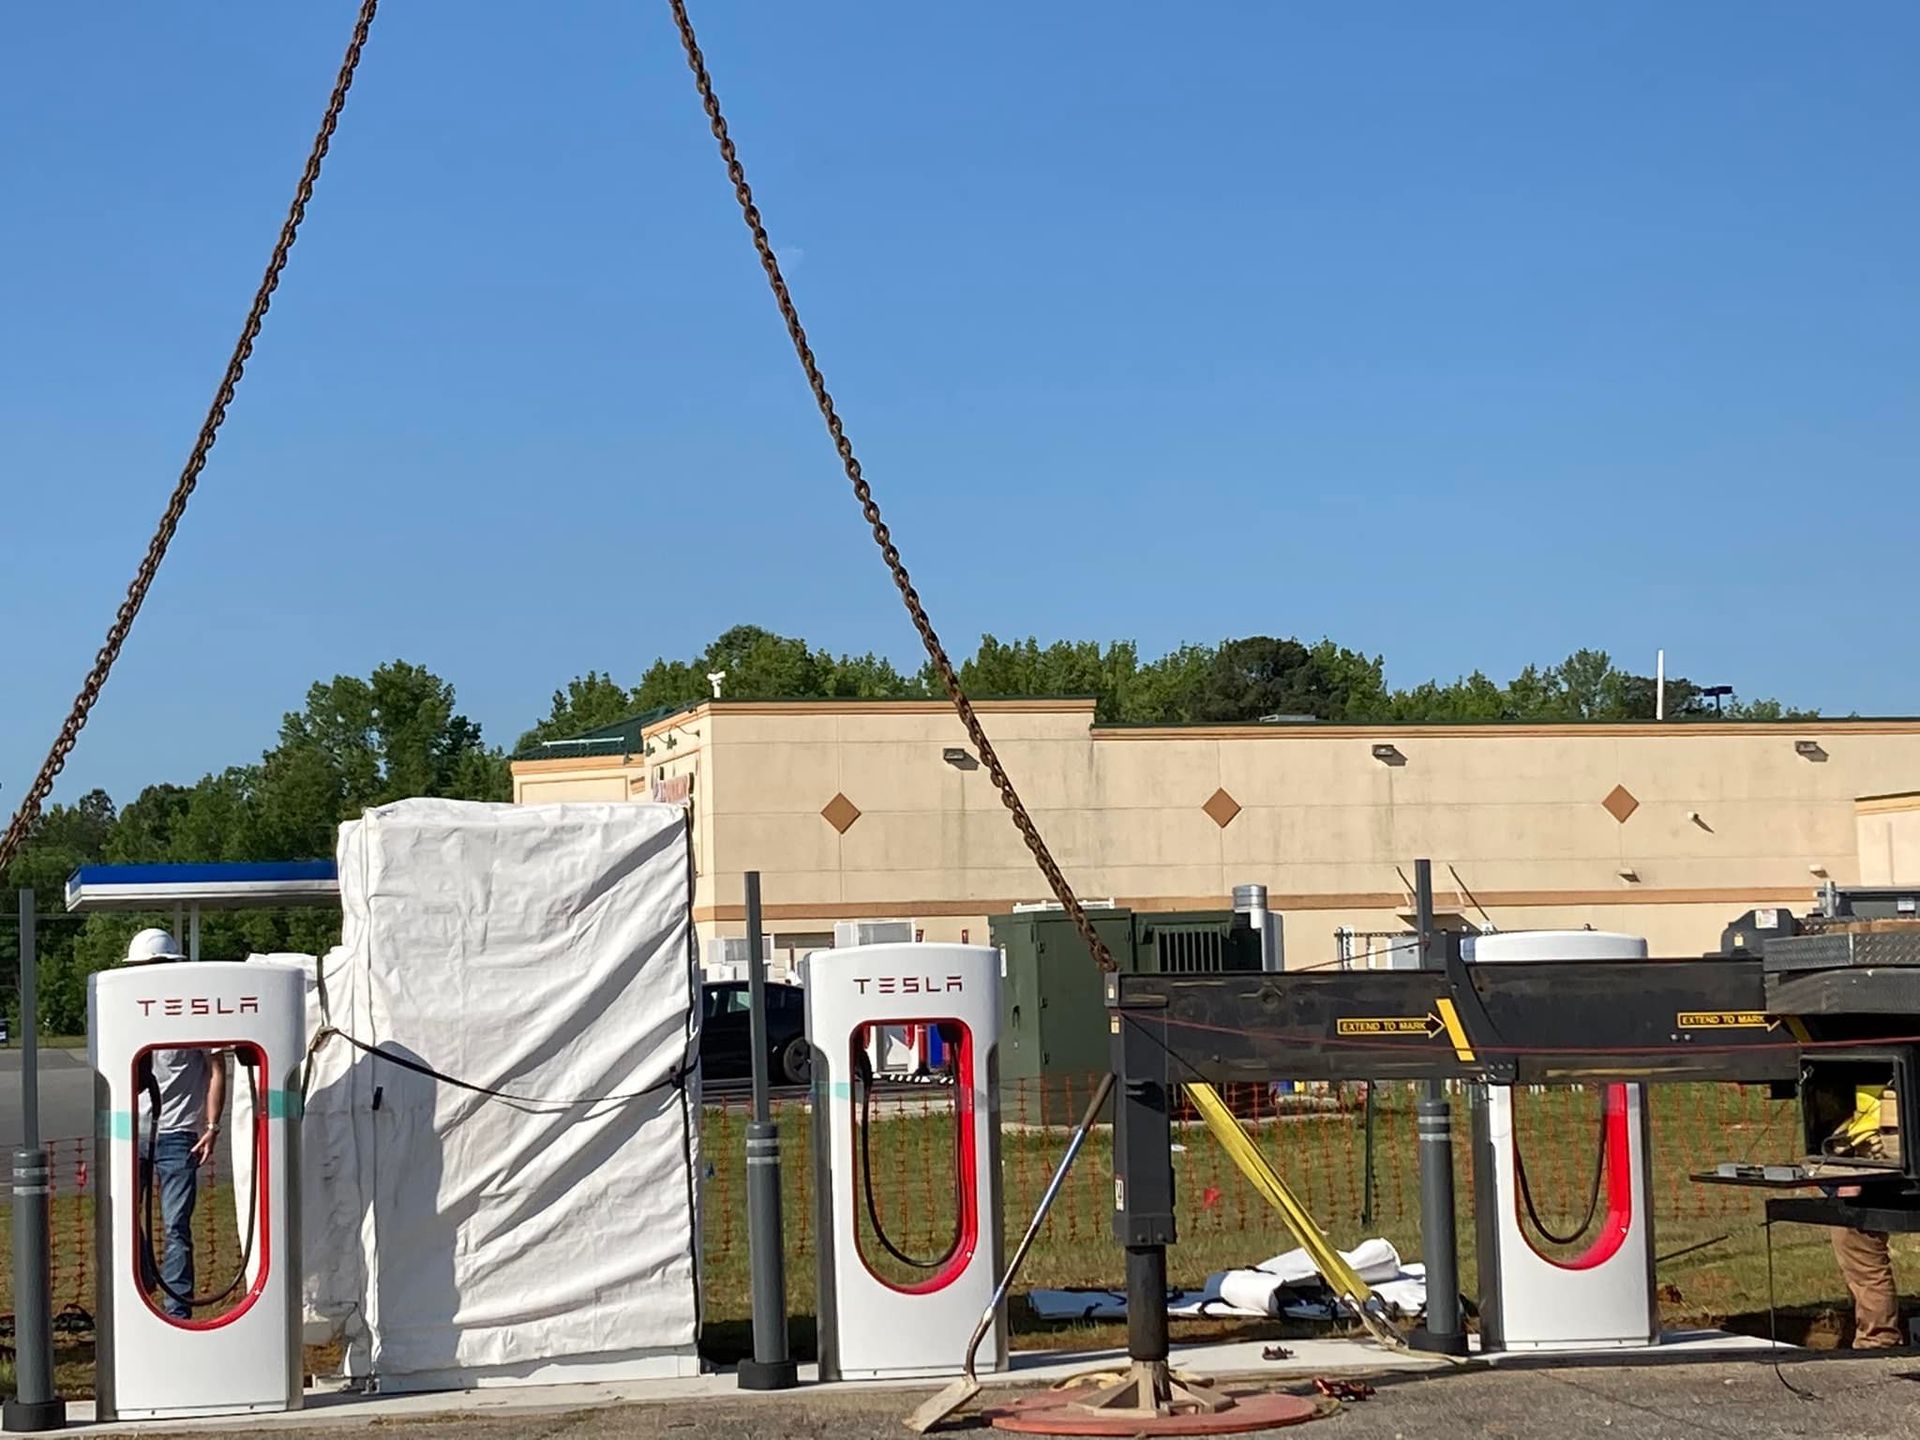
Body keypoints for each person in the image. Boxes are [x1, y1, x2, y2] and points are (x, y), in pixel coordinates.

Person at [123, 928, 225, 1321]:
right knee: (124, 1219)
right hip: (135, 1131)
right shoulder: (134, 1011)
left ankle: (176, 1311)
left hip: (178, 1132)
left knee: (176, 1226)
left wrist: (211, 1127)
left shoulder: (195, 1012)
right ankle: (144, 1291)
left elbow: (217, 1067)